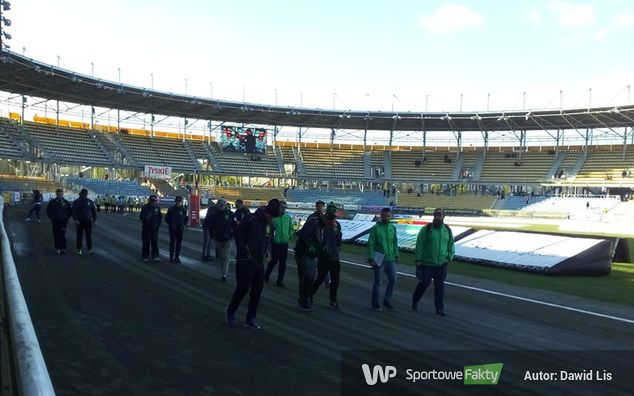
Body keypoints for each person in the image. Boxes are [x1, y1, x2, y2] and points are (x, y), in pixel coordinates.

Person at [226, 199, 281, 330]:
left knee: (257, 292)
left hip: (259, 262)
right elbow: (238, 234)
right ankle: (231, 311)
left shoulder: (270, 223)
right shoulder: (251, 219)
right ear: (267, 212)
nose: (272, 219)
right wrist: (245, 250)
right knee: (243, 288)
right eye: (271, 216)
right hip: (245, 261)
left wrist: (267, 250)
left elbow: (269, 239)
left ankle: (250, 318)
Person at [412, 208, 454, 316]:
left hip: (441, 263)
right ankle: (415, 299)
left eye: (439, 215)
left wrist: (449, 257)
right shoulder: (426, 229)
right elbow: (419, 245)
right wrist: (418, 259)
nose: (436, 217)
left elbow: (451, 246)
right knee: (424, 283)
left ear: (443, 216)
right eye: (435, 215)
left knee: (440, 286)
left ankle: (439, 308)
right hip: (427, 263)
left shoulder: (447, 231)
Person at [310, 202, 342, 309]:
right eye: (331, 210)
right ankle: (309, 295)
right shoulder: (320, 222)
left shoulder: (337, 224)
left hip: (334, 256)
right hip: (324, 256)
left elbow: (338, 239)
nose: (332, 212)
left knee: (335, 280)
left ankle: (333, 300)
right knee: (320, 278)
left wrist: (338, 247)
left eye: (334, 211)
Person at [367, 207, 399, 311]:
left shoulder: (393, 228)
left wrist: (396, 255)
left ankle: (387, 300)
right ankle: (375, 303)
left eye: (388, 216)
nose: (386, 217)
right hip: (379, 259)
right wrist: (371, 258)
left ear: (391, 216)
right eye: (384, 216)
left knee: (393, 280)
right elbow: (371, 243)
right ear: (381, 215)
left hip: (390, 259)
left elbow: (395, 242)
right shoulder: (376, 228)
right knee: (378, 282)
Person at [294, 204, 324, 312]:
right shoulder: (314, 222)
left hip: (311, 254)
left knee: (311, 277)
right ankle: (303, 299)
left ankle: (306, 298)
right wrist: (309, 246)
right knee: (306, 277)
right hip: (303, 252)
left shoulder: (322, 226)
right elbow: (302, 234)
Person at [265, 200, 294, 287]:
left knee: (283, 263)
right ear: (278, 207)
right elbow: (269, 231)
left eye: (285, 208)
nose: (283, 209)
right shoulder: (274, 218)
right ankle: (266, 276)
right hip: (275, 243)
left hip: (285, 244)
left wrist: (289, 236)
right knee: (274, 260)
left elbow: (291, 229)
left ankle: (280, 281)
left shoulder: (288, 218)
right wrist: (269, 241)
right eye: (282, 207)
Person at [211, 199, 234, 281]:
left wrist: (232, 236)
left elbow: (234, 225)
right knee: (222, 256)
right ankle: (224, 272)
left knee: (225, 256)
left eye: (223, 205)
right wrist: (212, 236)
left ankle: (224, 273)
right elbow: (211, 226)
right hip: (218, 238)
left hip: (228, 238)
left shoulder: (231, 214)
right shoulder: (214, 215)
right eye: (220, 205)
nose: (221, 207)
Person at [46, 188, 72, 254]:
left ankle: (63, 248)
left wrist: (66, 217)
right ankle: (57, 248)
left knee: (63, 235)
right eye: (59, 194)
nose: (60, 195)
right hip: (55, 222)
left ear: (63, 194)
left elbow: (70, 211)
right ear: (56, 194)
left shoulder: (66, 202)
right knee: (56, 235)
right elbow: (48, 210)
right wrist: (51, 217)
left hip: (63, 222)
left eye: (61, 194)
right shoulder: (52, 202)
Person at [72, 188, 97, 255]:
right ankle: (79, 249)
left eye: (86, 194)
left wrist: (94, 220)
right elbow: (73, 211)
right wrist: (75, 219)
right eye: (84, 194)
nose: (85, 195)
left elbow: (93, 211)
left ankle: (89, 249)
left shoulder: (89, 202)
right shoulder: (76, 202)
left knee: (88, 235)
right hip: (79, 221)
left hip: (88, 221)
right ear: (81, 194)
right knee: (79, 235)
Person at [139, 195, 163, 262]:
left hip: (154, 228)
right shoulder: (145, 207)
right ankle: (145, 256)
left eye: (154, 200)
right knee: (146, 242)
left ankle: (155, 256)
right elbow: (141, 217)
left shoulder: (157, 208)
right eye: (152, 200)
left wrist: (158, 225)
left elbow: (160, 217)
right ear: (149, 200)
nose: (153, 202)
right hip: (146, 228)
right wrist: (146, 217)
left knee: (154, 242)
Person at [165, 196, 188, 263]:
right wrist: (171, 224)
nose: (178, 203)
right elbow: (167, 218)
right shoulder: (171, 209)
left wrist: (184, 224)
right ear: (175, 202)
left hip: (180, 229)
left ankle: (177, 257)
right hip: (172, 229)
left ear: (181, 202)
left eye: (180, 202)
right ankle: (171, 257)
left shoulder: (183, 209)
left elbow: (186, 218)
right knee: (172, 243)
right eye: (177, 202)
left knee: (178, 243)